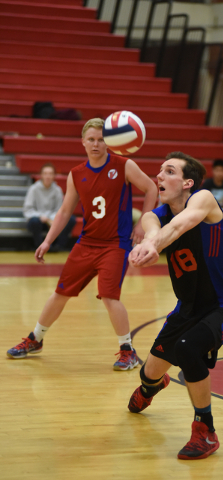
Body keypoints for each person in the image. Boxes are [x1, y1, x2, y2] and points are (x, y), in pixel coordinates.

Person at [7, 118, 158, 370]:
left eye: (101, 139)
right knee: (60, 293)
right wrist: (47, 241)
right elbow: (65, 211)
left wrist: (142, 223)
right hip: (86, 243)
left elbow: (151, 188)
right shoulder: (76, 174)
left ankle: (127, 351)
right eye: (91, 139)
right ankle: (35, 339)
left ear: (108, 142)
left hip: (115, 244)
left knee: (110, 297)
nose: (96, 144)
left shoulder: (124, 165)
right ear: (83, 142)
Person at [127, 151, 223, 460]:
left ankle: (205, 431)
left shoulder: (204, 200)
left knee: (188, 349)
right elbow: (151, 221)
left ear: (187, 182)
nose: (159, 176)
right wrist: (149, 239)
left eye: (168, 171)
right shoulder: (160, 213)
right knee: (148, 374)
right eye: (159, 171)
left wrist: (152, 245)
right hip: (187, 308)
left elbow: (181, 225)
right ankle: (151, 387)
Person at [23, 163, 76, 251]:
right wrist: (41, 216)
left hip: (52, 221)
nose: (48, 176)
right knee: (34, 221)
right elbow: (27, 210)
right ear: (41, 175)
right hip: (38, 220)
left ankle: (58, 246)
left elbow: (60, 209)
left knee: (71, 219)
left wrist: (51, 219)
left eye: (50, 174)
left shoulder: (57, 190)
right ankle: (39, 245)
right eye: (45, 173)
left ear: (54, 176)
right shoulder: (33, 189)